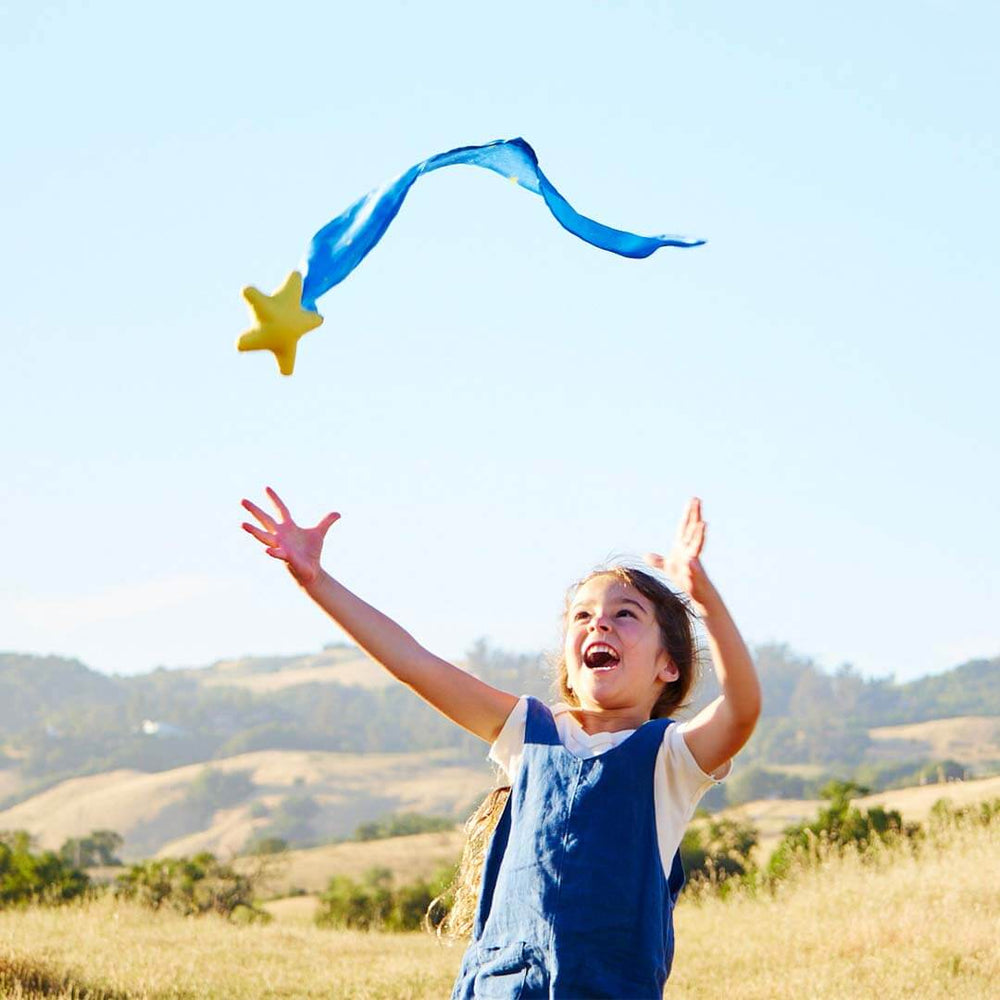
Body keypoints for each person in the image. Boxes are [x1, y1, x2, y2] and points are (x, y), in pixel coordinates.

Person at [241, 489, 761, 998]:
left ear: (668, 666)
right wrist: (317, 582)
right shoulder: (528, 730)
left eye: (625, 613)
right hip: (501, 987)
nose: (599, 621)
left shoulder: (670, 758)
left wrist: (705, 600)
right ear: (568, 665)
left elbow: (742, 708)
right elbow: (413, 663)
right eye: (582, 616)